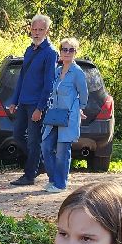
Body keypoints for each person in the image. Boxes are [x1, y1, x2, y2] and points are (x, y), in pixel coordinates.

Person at [9, 14, 58, 187]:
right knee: (17, 135)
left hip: (36, 104)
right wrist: (14, 101)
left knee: (33, 140)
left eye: (40, 30)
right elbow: (22, 77)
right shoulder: (29, 50)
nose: (36, 33)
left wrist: (40, 108)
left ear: (47, 31)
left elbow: (49, 83)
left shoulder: (51, 53)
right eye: (34, 29)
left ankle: (29, 176)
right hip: (23, 102)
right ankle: (40, 163)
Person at [40, 38, 89, 193]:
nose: (67, 52)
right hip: (54, 115)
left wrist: (79, 109)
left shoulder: (78, 73)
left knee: (62, 152)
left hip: (68, 117)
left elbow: (84, 94)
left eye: (71, 50)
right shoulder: (57, 70)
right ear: (60, 52)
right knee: (46, 146)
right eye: (64, 49)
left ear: (75, 53)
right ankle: (53, 179)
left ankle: (60, 184)